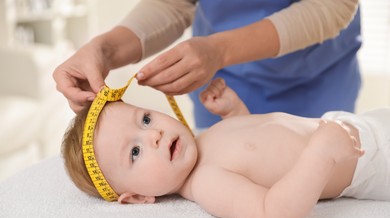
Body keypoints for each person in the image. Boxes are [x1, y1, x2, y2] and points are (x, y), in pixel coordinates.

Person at [62, 78, 390, 218]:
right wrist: (322, 153)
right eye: (135, 151)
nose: (154, 134)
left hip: (350, 126)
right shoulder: (207, 183)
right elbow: (273, 214)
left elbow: (256, 155)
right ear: (136, 197)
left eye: (145, 119)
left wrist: (235, 113)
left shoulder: (203, 140)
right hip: (367, 161)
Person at [53, 0, 361, 129]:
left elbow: (331, 5)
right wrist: (103, 49)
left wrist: (220, 50)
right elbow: (173, 4)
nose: (156, 136)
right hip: (220, 85)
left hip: (313, 79)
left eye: (147, 122)